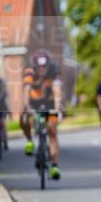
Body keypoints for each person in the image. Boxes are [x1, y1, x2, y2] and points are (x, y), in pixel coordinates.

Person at [19, 49, 64, 180]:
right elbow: (26, 89)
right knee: (24, 120)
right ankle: (29, 140)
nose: (42, 69)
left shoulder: (54, 70)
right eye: (40, 66)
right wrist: (27, 107)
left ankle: (54, 166)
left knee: (52, 131)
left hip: (49, 103)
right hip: (33, 103)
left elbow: (58, 90)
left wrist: (58, 108)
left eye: (45, 66)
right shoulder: (29, 71)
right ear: (35, 66)